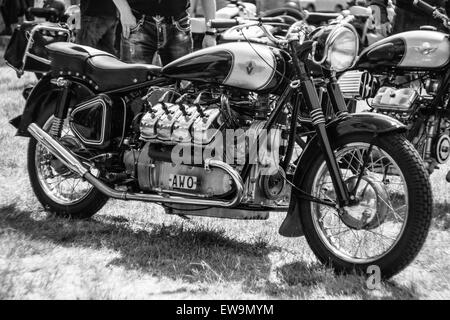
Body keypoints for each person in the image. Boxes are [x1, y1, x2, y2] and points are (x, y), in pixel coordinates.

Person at [112, 0, 217, 65]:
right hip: (137, 22)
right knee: (133, 87)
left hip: (177, 24)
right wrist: (124, 10)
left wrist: (210, 33)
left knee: (181, 88)